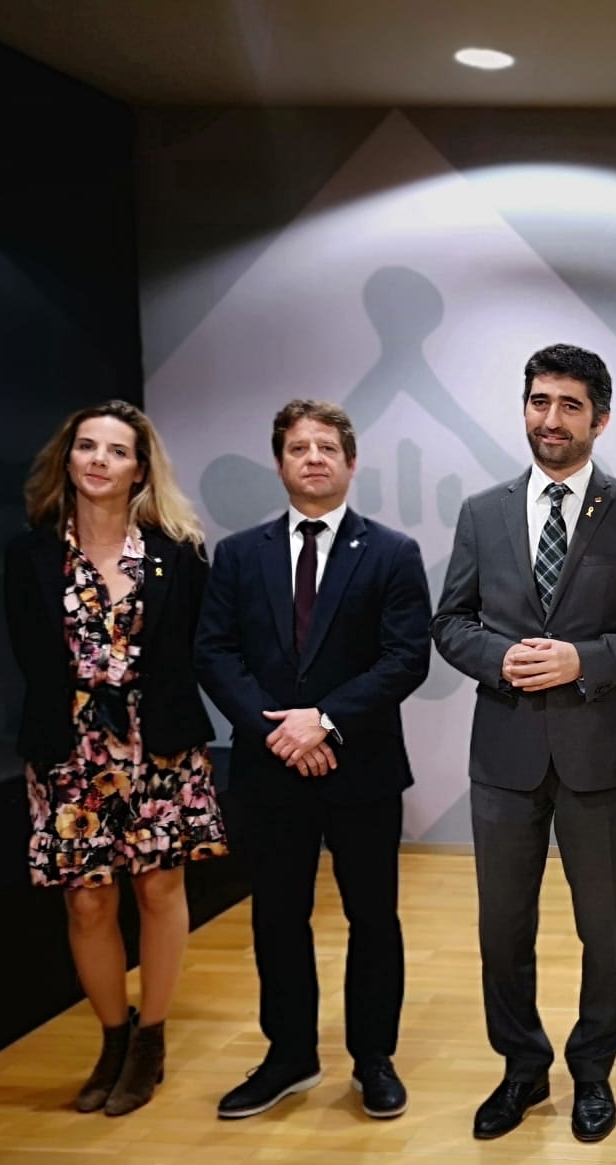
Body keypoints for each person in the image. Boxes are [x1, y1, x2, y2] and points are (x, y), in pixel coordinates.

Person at [433, 343, 616, 1143]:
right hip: (503, 757)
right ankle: (522, 1068)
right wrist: (499, 659)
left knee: (603, 928)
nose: (552, 419)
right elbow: (449, 622)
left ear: (599, 419)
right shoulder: (483, 512)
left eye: (570, 405)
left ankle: (594, 1071)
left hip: (598, 754)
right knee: (503, 927)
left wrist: (584, 661)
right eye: (540, 401)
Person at [195, 399, 432, 1122]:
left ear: (351, 463)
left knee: (373, 918)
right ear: (280, 463)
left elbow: (406, 658)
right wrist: (280, 733)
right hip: (270, 770)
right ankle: (289, 1056)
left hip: (359, 768)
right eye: (298, 447)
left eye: (327, 446)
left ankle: (373, 1060)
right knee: (278, 917)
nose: (314, 457)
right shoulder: (239, 555)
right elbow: (214, 651)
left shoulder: (391, 553)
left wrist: (323, 722)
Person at [4, 399, 226, 1116]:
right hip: (70, 747)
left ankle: (151, 1039)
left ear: (139, 470)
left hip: (157, 742)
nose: (99, 460)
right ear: (67, 460)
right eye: (87, 447)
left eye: (116, 451)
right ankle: (111, 1037)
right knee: (88, 899)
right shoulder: (30, 552)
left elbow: (196, 649)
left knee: (159, 890)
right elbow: (30, 659)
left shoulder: (179, 552)